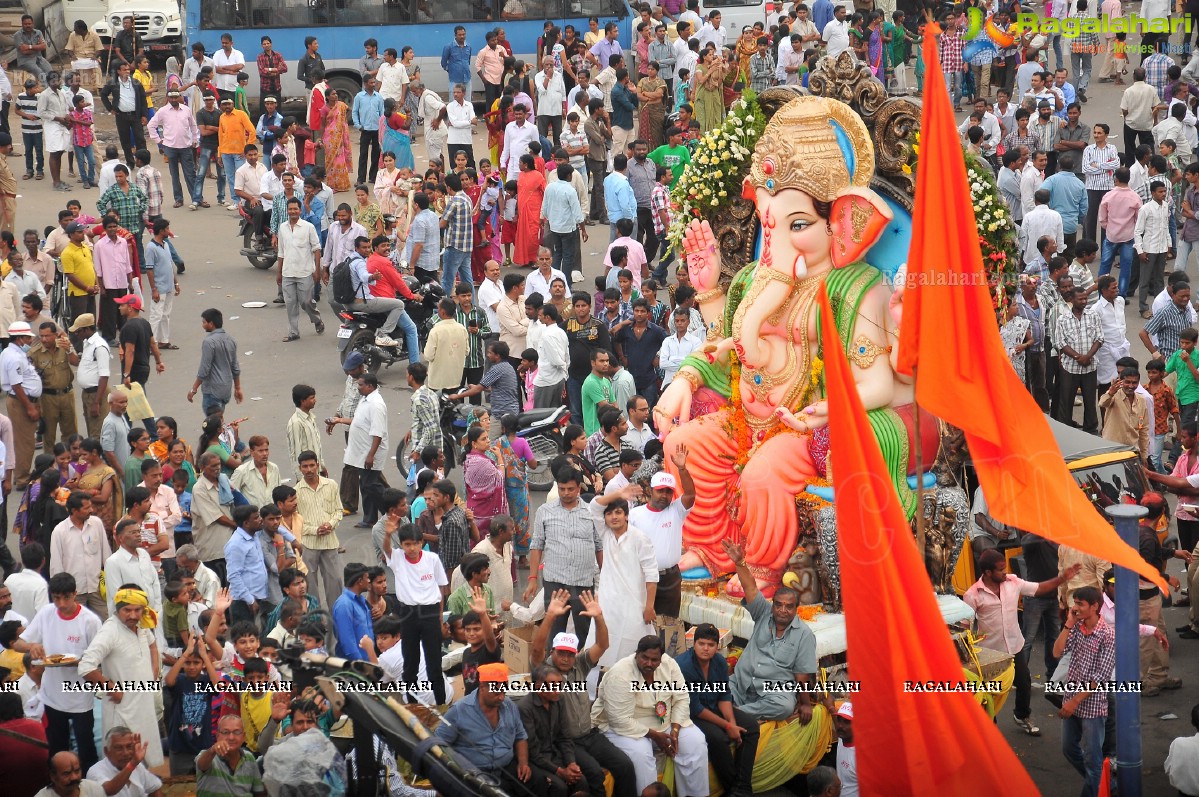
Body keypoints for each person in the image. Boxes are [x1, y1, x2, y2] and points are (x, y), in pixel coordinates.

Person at [965, 548, 1081, 736]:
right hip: (989, 654)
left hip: (1015, 647)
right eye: (1000, 569)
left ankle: (1022, 715)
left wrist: (1063, 578)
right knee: (989, 692)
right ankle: (988, 727)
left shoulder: (1013, 582)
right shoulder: (972, 595)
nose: (1005, 572)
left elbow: (1039, 588)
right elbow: (966, 626)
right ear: (987, 573)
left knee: (1024, 683)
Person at [592, 634, 708, 796]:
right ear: (637, 654)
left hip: (663, 723)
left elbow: (681, 698)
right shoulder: (621, 674)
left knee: (695, 741)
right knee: (641, 753)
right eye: (644, 658)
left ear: (661, 658)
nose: (648, 663)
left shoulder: (669, 664)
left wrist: (674, 732)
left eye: (654, 660)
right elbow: (619, 720)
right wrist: (655, 736)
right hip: (622, 729)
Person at [77, 586, 162, 767]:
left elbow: (153, 646)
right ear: (117, 609)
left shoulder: (142, 625)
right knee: (122, 763)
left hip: (143, 706)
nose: (132, 615)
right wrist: (111, 687)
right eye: (127, 610)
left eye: (137, 610)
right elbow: (85, 666)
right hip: (123, 710)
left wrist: (153, 673)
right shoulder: (110, 631)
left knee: (144, 764)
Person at [432, 662, 539, 793]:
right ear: (482, 687)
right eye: (496, 693)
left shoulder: (509, 706)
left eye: (504, 692)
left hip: (506, 767)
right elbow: (439, 744)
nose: (501, 697)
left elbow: (520, 736)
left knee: (538, 782)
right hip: (475, 772)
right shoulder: (459, 710)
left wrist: (523, 763)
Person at [1052, 585, 1116, 797]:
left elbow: (1100, 677)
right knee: (1068, 749)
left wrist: (1074, 701)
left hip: (1093, 707)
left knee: (1092, 758)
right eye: (1075, 603)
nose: (1075, 608)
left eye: (1080, 604)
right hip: (1071, 700)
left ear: (1095, 606)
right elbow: (1056, 652)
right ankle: (1104, 784)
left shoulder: (1107, 635)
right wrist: (1068, 624)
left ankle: (1095, 788)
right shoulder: (1076, 628)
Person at [295, 450, 343, 608]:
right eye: (305, 466)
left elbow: (338, 511)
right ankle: (315, 622)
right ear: (299, 468)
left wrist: (330, 524)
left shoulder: (331, 485)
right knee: (309, 586)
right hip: (308, 545)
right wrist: (315, 530)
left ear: (318, 465)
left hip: (330, 543)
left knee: (335, 583)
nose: (309, 470)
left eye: (311, 465)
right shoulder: (296, 492)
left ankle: (337, 619)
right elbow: (297, 520)